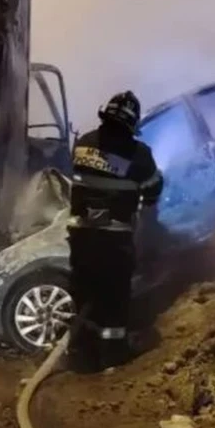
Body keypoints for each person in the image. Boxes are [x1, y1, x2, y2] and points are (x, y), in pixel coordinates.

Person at [66, 90, 163, 371]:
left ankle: (83, 352)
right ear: (132, 124)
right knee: (114, 297)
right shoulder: (139, 154)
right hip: (113, 242)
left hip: (81, 237)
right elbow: (153, 190)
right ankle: (113, 352)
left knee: (85, 293)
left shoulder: (83, 143)